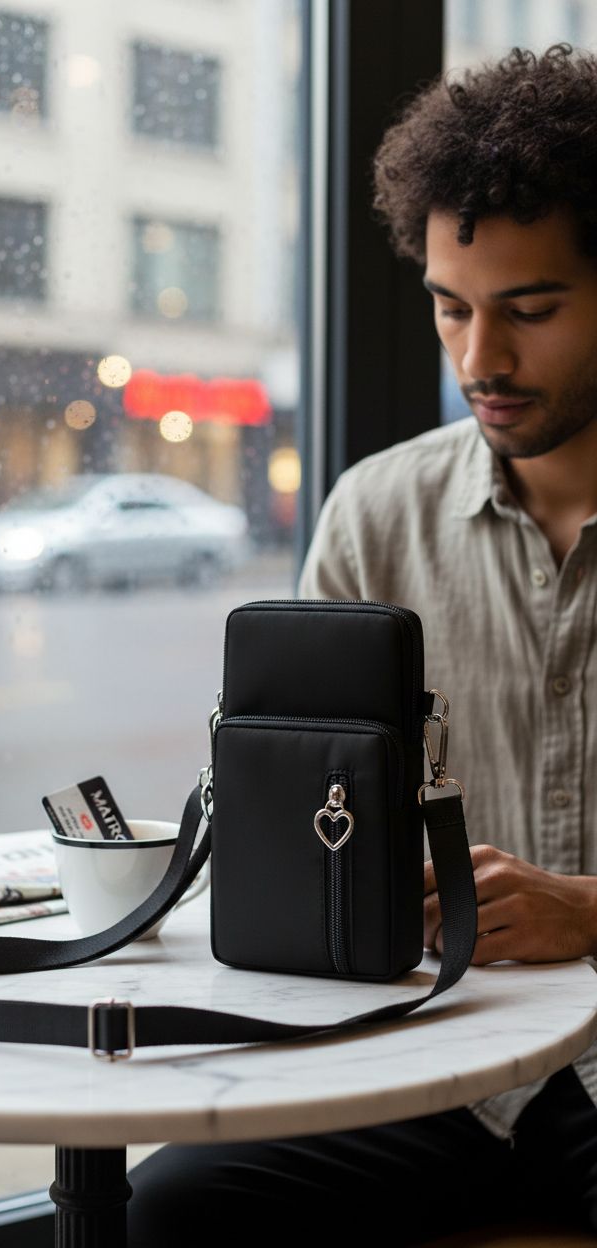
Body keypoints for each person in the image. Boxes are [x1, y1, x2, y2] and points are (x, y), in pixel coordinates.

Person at [128, 44, 597, 1245]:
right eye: (450, 306)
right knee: (177, 1208)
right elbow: (295, 823)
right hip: (432, 1059)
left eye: (528, 311)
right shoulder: (374, 512)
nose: (478, 360)